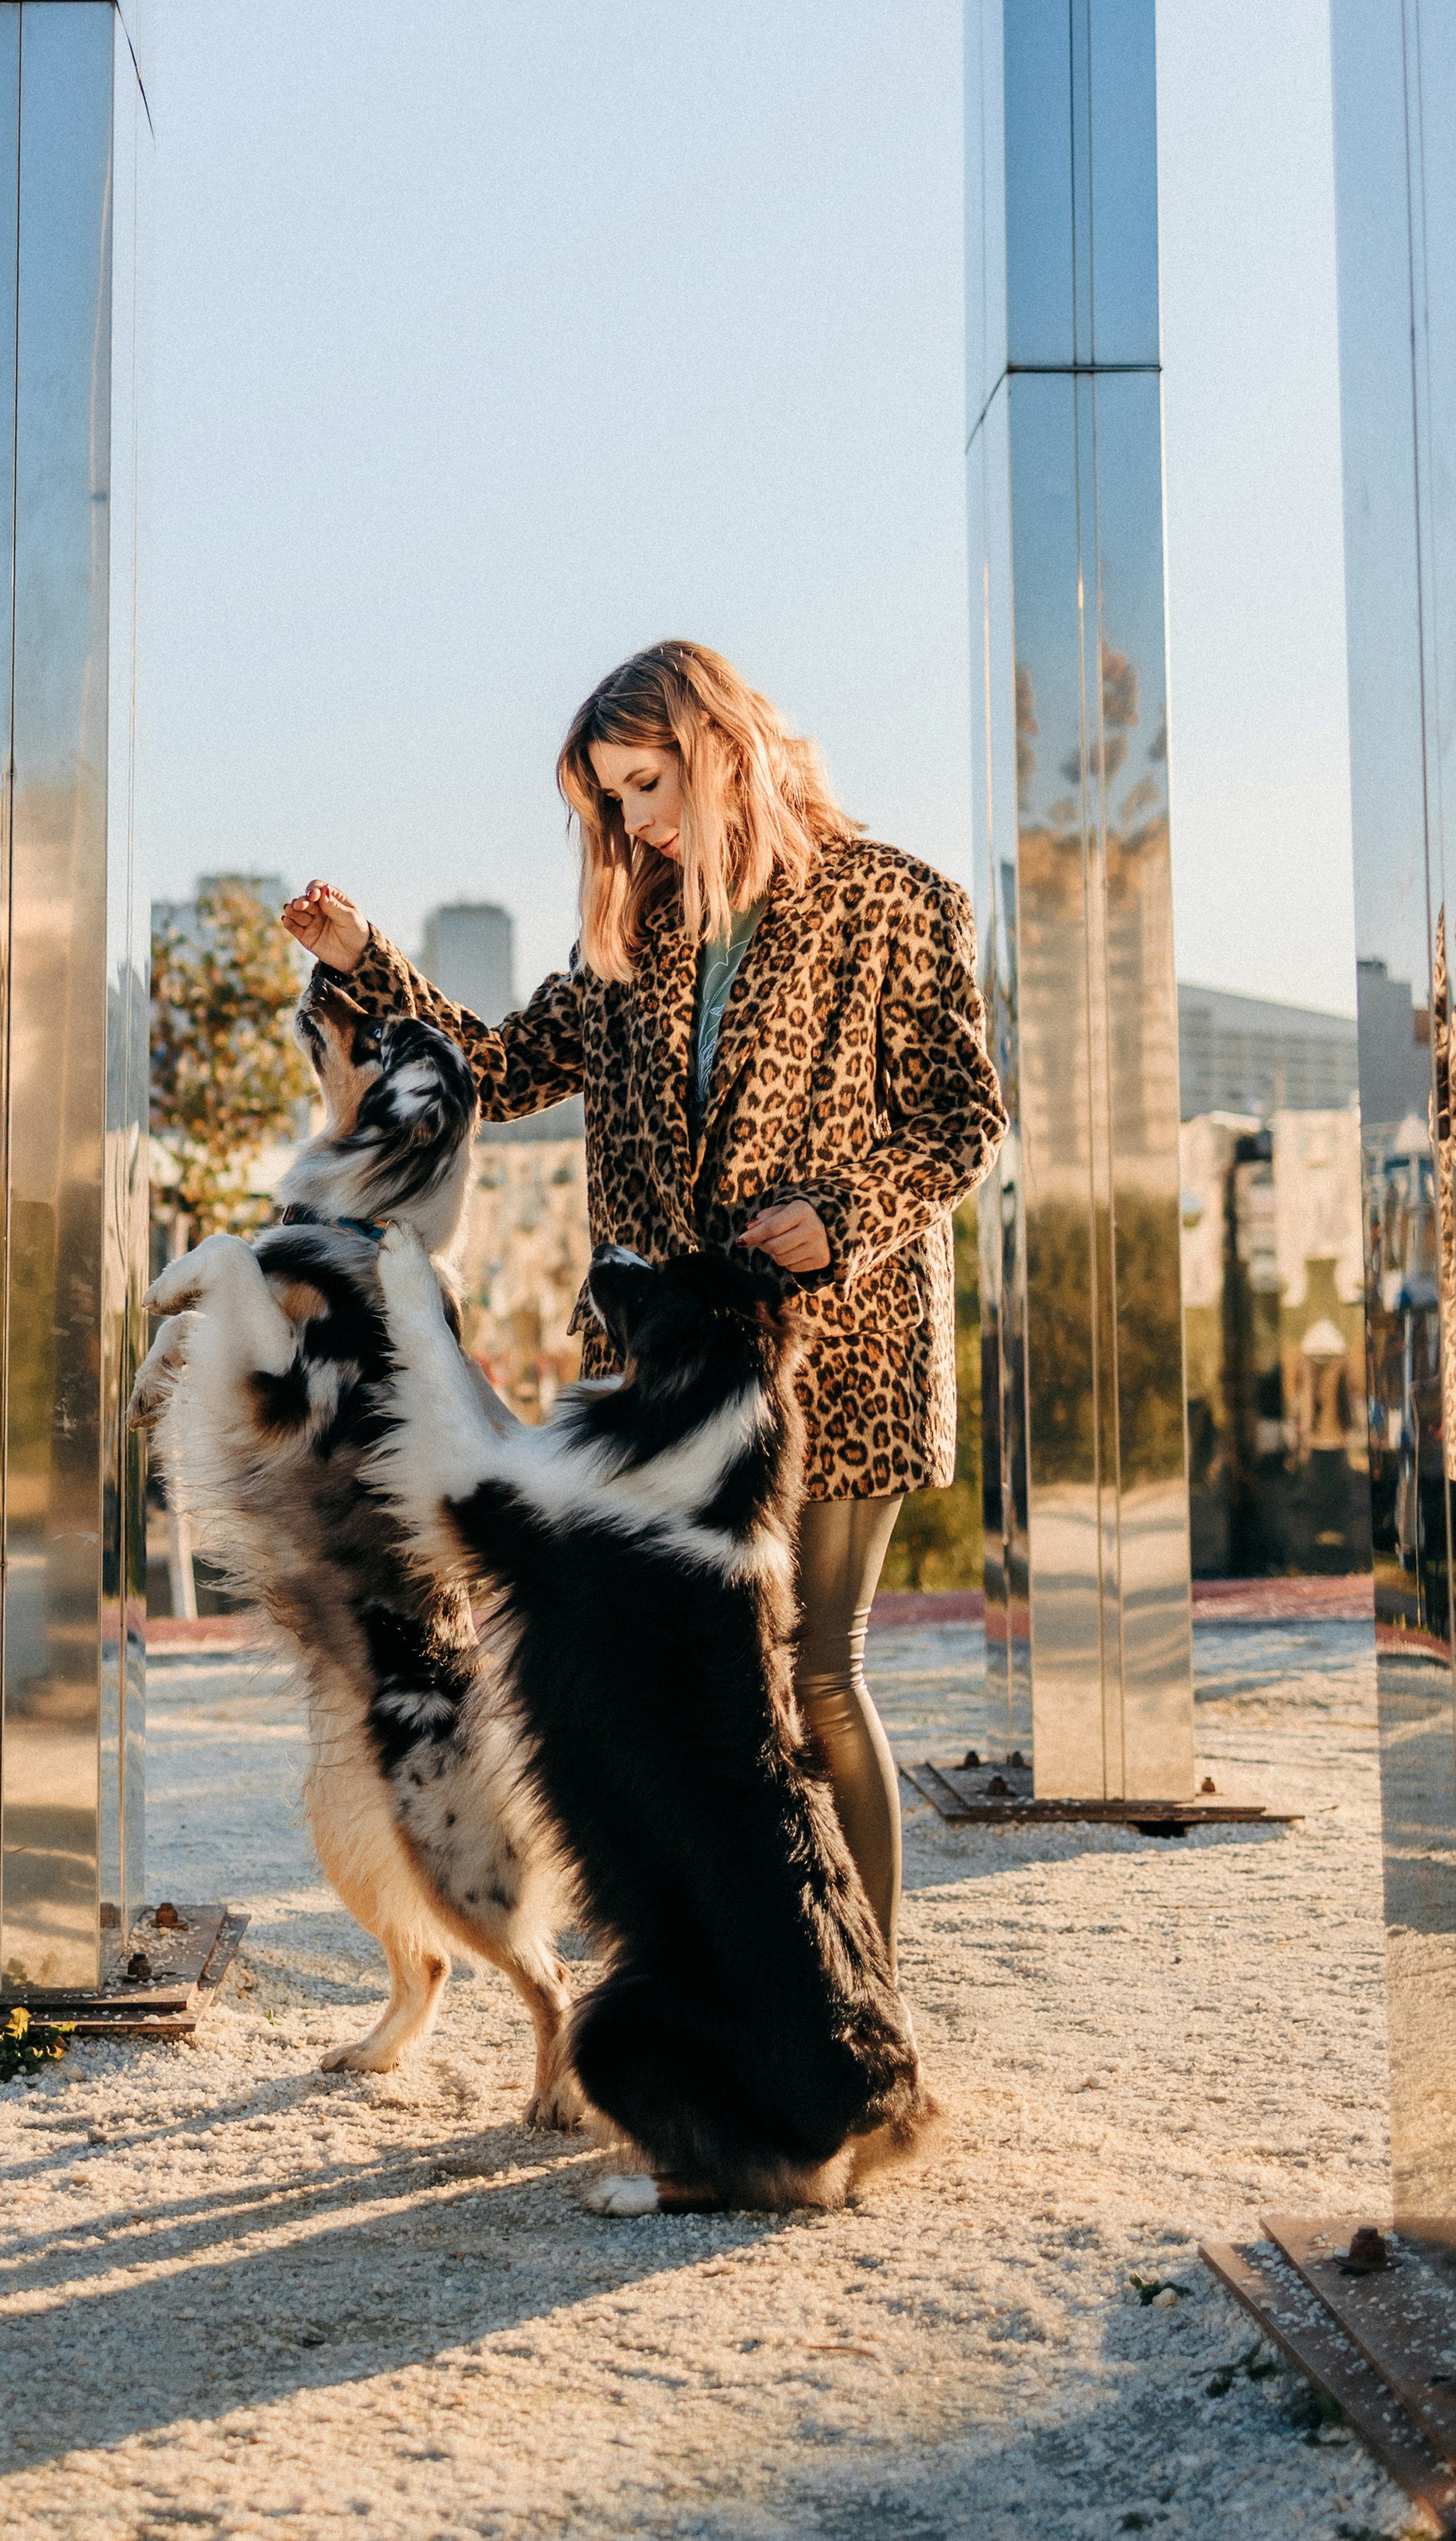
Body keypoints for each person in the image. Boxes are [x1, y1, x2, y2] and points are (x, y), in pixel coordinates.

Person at [281, 639, 1006, 1967]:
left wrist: (841, 1213)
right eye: (611, 799)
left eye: (646, 781)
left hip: (837, 1355)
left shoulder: (897, 900)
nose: (634, 820)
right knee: (695, 1692)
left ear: (721, 749)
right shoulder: (634, 933)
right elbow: (493, 1071)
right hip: (661, 1376)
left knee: (817, 1678)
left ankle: (858, 2011)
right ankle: (737, 1980)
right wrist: (365, 960)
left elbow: (967, 1122)